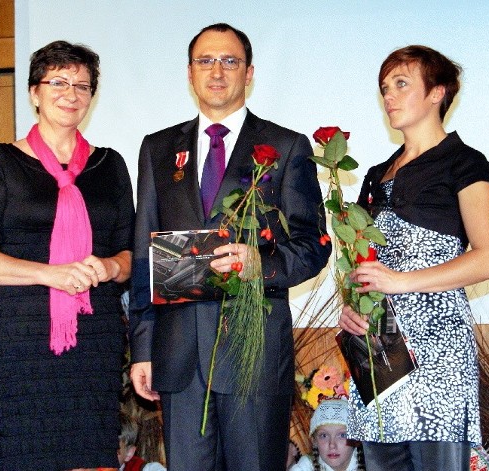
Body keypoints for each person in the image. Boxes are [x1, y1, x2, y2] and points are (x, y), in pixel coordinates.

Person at [128, 23, 331, 471]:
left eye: (230, 61)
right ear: (189, 72)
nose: (217, 71)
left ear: (249, 72)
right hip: (178, 357)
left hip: (253, 355)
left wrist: (261, 263)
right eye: (206, 61)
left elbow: (314, 246)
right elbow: (144, 256)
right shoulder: (158, 149)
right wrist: (143, 346)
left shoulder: (285, 146)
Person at [0, 40, 134, 470]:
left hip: (95, 340)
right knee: (24, 456)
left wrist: (110, 266)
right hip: (21, 341)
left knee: (91, 455)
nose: (71, 94)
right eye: (58, 81)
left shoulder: (110, 165)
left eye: (82, 85)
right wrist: (49, 274)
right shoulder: (2, 162)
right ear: (34, 92)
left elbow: (131, 254)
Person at [337, 45, 489, 471]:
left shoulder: (465, 163)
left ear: (438, 93)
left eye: (401, 84)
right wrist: (352, 308)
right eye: (384, 87)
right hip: (381, 349)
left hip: (439, 348)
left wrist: (400, 281)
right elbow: (362, 259)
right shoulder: (375, 174)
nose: (388, 96)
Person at [289, 399, 362, 471]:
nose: (332, 445)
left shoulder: (370, 462)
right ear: (314, 441)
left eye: (342, 435)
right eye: (324, 436)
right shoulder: (306, 466)